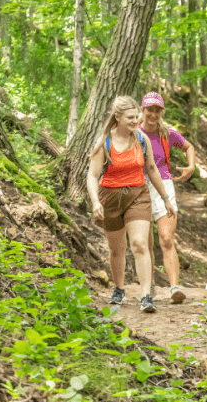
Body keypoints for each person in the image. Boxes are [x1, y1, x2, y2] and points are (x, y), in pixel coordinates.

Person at [85, 95, 178, 313]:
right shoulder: (104, 142)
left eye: (137, 116)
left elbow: (152, 170)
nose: (135, 121)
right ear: (117, 117)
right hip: (110, 197)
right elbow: (92, 176)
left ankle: (146, 296)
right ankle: (119, 289)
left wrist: (166, 199)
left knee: (138, 244)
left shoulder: (141, 139)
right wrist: (96, 202)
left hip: (138, 195)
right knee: (117, 249)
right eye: (130, 117)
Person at [139, 91, 198, 305]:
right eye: (149, 109)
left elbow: (188, 146)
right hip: (139, 187)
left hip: (164, 186)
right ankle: (150, 285)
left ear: (161, 112)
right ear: (142, 110)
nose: (153, 114)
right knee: (145, 242)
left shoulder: (167, 133)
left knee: (166, 238)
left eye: (157, 110)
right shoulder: (133, 132)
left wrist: (191, 166)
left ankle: (174, 288)